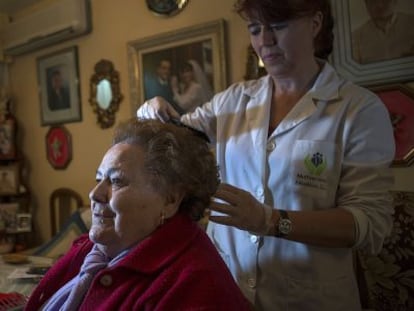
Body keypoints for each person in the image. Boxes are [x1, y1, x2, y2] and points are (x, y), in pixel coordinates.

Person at [137, 0, 396, 310]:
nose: (265, 41)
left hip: (309, 297)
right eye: (255, 29)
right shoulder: (233, 100)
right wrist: (152, 111)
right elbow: (177, 133)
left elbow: (368, 224)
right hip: (225, 289)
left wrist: (271, 220)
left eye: (278, 26)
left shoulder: (358, 109)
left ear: (315, 24)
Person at [25, 118, 251, 311]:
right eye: (98, 179)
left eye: (116, 181)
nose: (95, 194)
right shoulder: (92, 250)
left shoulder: (195, 285)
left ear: (170, 200)